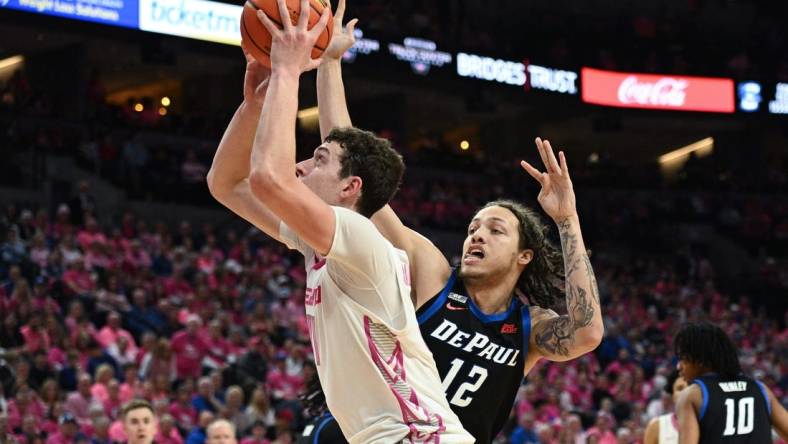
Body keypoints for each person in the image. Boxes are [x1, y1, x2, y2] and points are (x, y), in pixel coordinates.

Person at [301, 0, 604, 442]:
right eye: (472, 228)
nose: (476, 235)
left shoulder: (528, 328)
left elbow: (588, 333)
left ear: (524, 255)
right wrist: (330, 65)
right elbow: (353, 168)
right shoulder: (433, 274)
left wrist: (568, 220)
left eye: (495, 230)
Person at [206, 0, 472, 442]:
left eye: (319, 160)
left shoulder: (360, 237)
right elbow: (226, 184)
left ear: (351, 189)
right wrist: (254, 105)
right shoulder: (322, 242)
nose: (302, 167)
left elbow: (269, 178)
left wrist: (288, 72)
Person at [674, 321, 788, 443]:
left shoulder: (692, 395)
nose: (678, 366)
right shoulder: (760, 389)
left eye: (683, 358)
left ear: (700, 360)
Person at [644, 370, 688, 444]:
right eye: (680, 389)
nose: (687, 392)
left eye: (691, 387)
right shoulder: (657, 426)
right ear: (672, 395)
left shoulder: (710, 426)